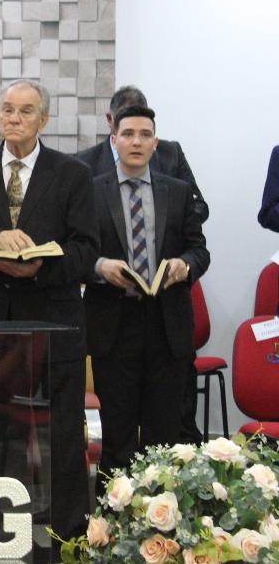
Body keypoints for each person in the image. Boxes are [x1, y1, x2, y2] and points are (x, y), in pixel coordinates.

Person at [0, 79, 99, 544]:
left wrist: (40, 269)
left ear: (43, 120)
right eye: (8, 110)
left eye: (25, 111)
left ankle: (68, 536)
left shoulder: (71, 174)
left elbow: (86, 249)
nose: (14, 118)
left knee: (63, 435)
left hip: (54, 319)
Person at [75, 85, 208, 445]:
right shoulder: (90, 190)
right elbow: (74, 253)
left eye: (145, 135)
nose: (137, 142)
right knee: (115, 436)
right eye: (129, 134)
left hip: (167, 324)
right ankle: (116, 485)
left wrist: (185, 266)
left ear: (155, 143)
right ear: (114, 140)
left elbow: (199, 250)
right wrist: (99, 267)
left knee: (164, 437)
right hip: (113, 325)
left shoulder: (177, 192)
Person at [74, 85, 208, 223]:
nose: (136, 141)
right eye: (128, 130)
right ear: (110, 119)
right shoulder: (84, 163)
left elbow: (198, 205)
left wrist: (167, 226)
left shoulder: (171, 153)